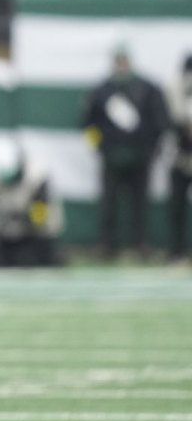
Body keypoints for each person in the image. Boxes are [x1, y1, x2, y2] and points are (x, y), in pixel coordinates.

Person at [81, 46, 170, 259]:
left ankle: (142, 243)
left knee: (140, 204)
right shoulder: (102, 90)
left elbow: (159, 122)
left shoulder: (147, 88)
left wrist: (152, 150)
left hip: (140, 157)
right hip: (112, 157)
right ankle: (106, 244)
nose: (121, 66)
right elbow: (87, 123)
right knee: (108, 204)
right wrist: (99, 148)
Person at [167, 54, 192, 262]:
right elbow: (170, 120)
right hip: (179, 157)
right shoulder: (175, 87)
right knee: (176, 208)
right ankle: (177, 250)